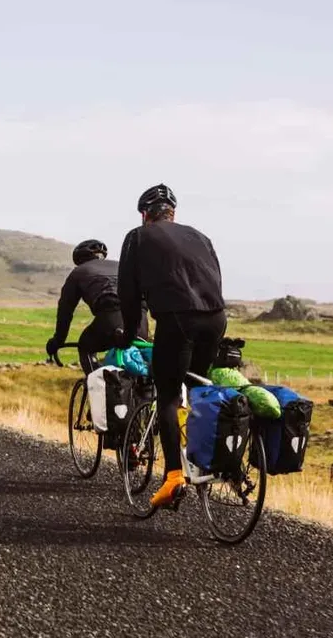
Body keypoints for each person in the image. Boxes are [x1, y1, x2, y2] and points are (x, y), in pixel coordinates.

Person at [116, 184, 226, 509]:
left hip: (177, 319)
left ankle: (174, 476)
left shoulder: (137, 237)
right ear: (173, 213)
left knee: (167, 397)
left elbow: (128, 293)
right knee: (197, 391)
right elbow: (216, 279)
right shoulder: (200, 236)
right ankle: (207, 463)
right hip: (217, 317)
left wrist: (129, 334)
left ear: (144, 215)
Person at [46, 239, 149, 374]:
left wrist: (58, 341)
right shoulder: (121, 265)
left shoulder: (78, 272)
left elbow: (65, 311)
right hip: (141, 321)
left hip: (111, 319)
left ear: (80, 259)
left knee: (85, 346)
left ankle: (98, 386)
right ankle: (144, 390)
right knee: (136, 355)